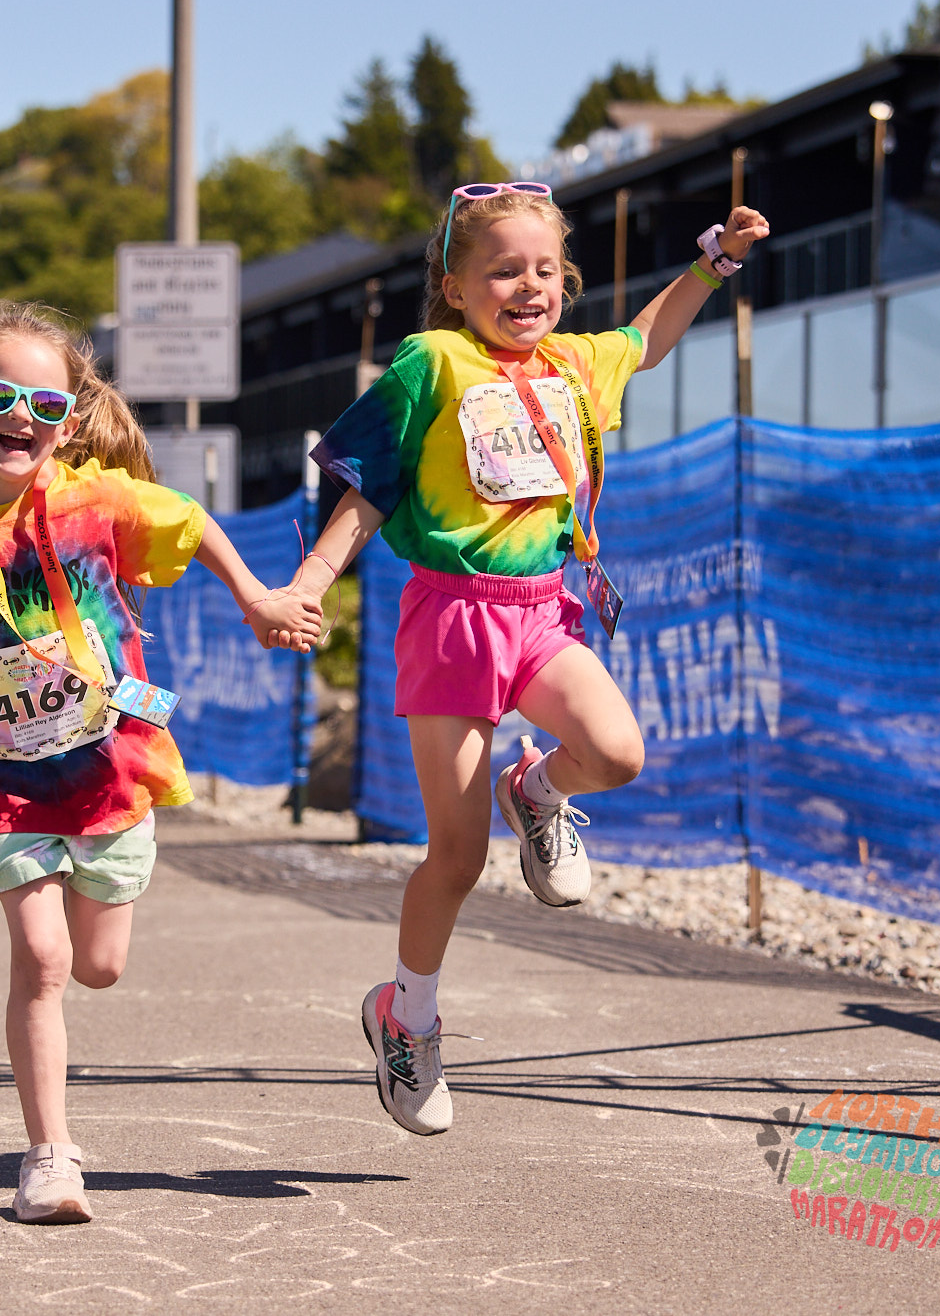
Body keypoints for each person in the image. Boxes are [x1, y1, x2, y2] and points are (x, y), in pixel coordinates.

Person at [278, 183, 770, 1136]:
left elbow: (648, 334)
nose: (528, 285)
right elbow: (369, 489)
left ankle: (539, 790)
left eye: (545, 269)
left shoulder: (576, 367)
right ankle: (406, 1016)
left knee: (619, 753)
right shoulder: (434, 361)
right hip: (451, 621)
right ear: (456, 286)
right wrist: (310, 581)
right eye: (503, 269)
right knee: (456, 859)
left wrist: (717, 262)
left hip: (545, 608)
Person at [0, 300, 320, 1224]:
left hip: (109, 764)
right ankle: (50, 1157)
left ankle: (94, 938)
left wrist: (259, 599)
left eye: (45, 404)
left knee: (98, 966)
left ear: (69, 423)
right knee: (39, 960)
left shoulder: (97, 500)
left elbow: (192, 522)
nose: (21, 418)